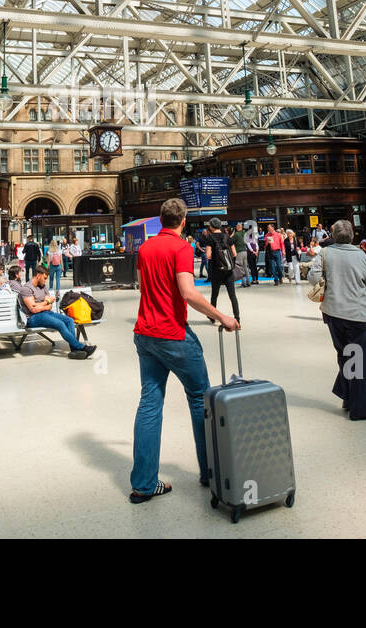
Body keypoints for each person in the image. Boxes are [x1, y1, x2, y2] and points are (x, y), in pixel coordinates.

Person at [129, 198, 239, 504]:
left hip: (145, 334)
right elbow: (188, 293)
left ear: (160, 219)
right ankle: (210, 472)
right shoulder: (180, 248)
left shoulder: (146, 248)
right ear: (183, 220)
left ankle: (143, 484)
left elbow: (142, 286)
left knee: (150, 404)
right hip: (173, 334)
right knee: (200, 398)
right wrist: (223, 317)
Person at [311, 220, 366, 421]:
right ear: (352, 236)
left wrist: (330, 280)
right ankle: (359, 410)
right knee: (359, 361)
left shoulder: (325, 253)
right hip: (357, 314)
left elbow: (313, 278)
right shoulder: (360, 255)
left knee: (344, 356)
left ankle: (348, 397)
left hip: (332, 313)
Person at [13, 265, 96, 358]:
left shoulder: (43, 286)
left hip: (46, 314)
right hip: (32, 318)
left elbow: (49, 306)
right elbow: (33, 309)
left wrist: (42, 305)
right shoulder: (26, 289)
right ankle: (82, 347)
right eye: (44, 278)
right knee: (60, 324)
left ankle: (74, 351)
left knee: (69, 321)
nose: (45, 281)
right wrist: (46, 303)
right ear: (38, 275)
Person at [201, 217, 240, 321]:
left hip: (216, 270)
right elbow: (235, 253)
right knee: (232, 296)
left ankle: (212, 317)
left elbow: (208, 255)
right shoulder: (227, 237)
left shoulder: (210, 238)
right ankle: (237, 318)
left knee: (214, 295)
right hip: (228, 270)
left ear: (211, 226)